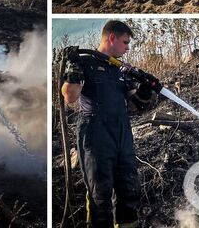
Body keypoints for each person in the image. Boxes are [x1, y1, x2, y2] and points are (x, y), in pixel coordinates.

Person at [61, 20, 161, 228]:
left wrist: (146, 88)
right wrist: (72, 68)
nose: (127, 48)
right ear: (112, 38)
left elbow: (135, 106)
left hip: (122, 132)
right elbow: (70, 96)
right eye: (125, 42)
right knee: (100, 193)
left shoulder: (120, 70)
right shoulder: (85, 62)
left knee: (129, 189)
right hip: (96, 133)